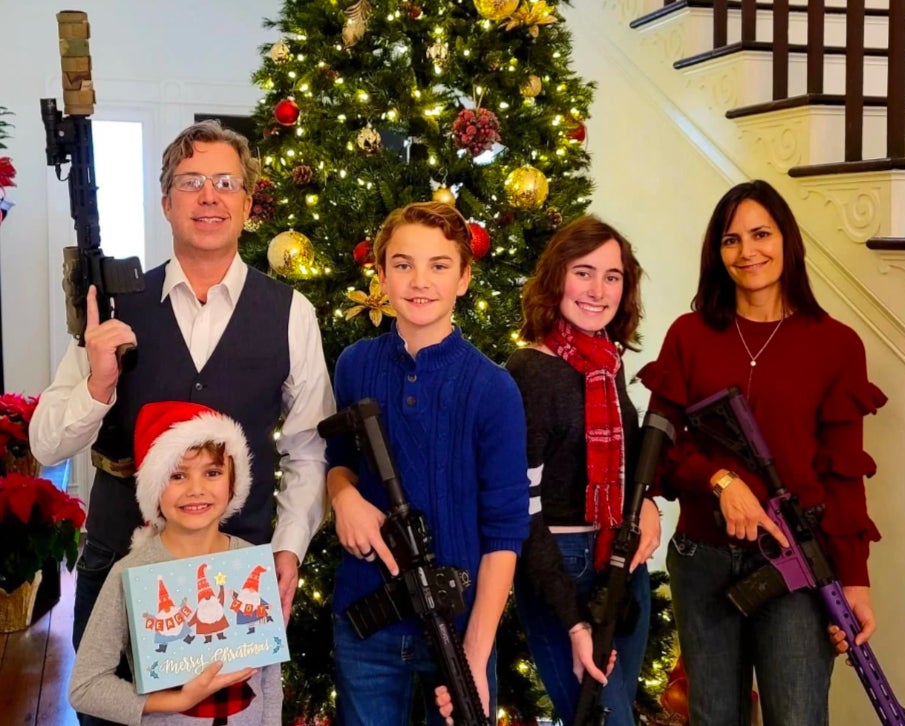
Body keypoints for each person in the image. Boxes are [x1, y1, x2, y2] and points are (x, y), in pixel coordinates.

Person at [29, 120, 333, 724]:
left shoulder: (291, 313)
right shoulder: (114, 305)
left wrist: (290, 549)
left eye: (226, 182)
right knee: (108, 712)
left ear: (248, 201)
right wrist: (97, 384)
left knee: (232, 714)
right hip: (123, 560)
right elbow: (45, 444)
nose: (209, 196)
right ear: (166, 201)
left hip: (236, 572)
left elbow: (307, 449)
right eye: (191, 182)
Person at [638, 179, 886, 725]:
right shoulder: (689, 335)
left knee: (796, 715)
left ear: (787, 240)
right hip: (703, 557)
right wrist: (722, 482)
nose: (748, 252)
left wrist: (855, 581)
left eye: (760, 234)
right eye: (731, 240)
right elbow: (660, 445)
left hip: (796, 559)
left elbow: (844, 475)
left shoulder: (837, 344)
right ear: (717, 252)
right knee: (713, 717)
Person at [324, 201, 530, 725]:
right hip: (366, 624)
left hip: (459, 633)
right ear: (381, 274)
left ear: (463, 278)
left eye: (439, 265)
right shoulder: (355, 365)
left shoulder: (493, 388)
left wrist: (476, 658)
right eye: (403, 264)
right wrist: (343, 495)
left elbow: (506, 530)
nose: (420, 281)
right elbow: (337, 460)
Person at [500, 215, 659, 726]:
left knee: (617, 714)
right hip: (561, 565)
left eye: (612, 276)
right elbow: (520, 508)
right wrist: (572, 622)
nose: (598, 290)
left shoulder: (605, 362)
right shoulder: (531, 372)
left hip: (622, 557)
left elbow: (631, 459)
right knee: (603, 718)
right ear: (556, 278)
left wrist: (650, 501)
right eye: (583, 272)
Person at [69, 400, 282, 724]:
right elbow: (85, 687)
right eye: (177, 475)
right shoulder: (132, 573)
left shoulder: (249, 564)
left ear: (233, 480)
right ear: (154, 487)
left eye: (212, 472)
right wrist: (174, 699)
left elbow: (268, 679)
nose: (196, 489)